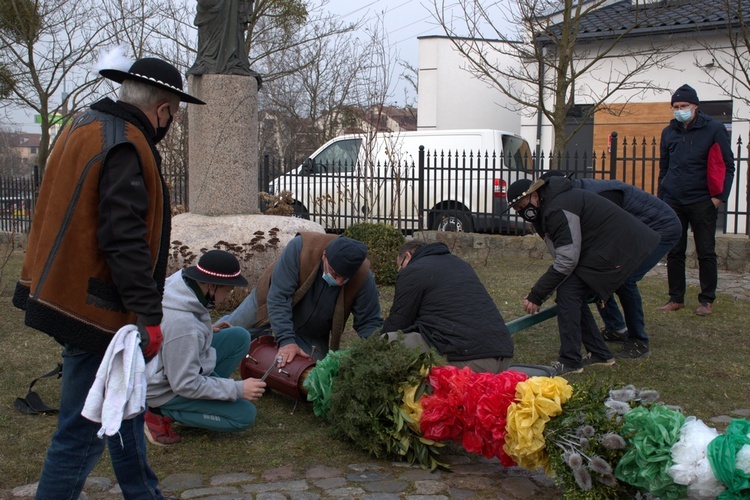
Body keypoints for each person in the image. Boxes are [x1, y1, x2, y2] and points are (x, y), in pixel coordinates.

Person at [12, 57, 205, 498]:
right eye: (173, 115)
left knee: (126, 408)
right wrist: (147, 313)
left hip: (79, 298)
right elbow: (124, 238)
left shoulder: (85, 124)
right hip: (97, 311)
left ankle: (143, 493)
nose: (171, 123)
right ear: (162, 111)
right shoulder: (125, 144)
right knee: (82, 432)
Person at [507, 176, 660, 375]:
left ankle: (570, 360)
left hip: (619, 249)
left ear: (535, 195)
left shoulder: (556, 208)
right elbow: (565, 252)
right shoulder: (549, 208)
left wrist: (537, 294)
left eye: (522, 206)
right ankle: (599, 354)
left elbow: (567, 259)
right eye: (517, 210)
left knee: (568, 292)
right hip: (606, 248)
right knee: (570, 292)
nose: (522, 213)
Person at [543, 172, 681, 359]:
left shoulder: (600, 196)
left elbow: (611, 235)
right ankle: (616, 327)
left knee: (624, 278)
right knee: (598, 272)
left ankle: (639, 340)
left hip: (660, 228)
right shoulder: (574, 195)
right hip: (636, 229)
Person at [145, 250, 266, 445]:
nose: (227, 296)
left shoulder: (182, 286)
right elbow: (184, 383)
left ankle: (201, 405)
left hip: (176, 363)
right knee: (244, 415)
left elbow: (175, 334)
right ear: (211, 286)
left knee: (239, 336)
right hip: (164, 390)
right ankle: (157, 412)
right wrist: (237, 389)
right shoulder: (183, 326)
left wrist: (206, 330)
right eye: (227, 290)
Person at [220, 233, 383, 366]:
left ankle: (267, 340)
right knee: (231, 334)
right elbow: (279, 297)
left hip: (312, 329)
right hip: (270, 302)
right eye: (335, 273)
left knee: (312, 368)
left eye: (345, 277)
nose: (339, 282)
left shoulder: (362, 274)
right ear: (324, 256)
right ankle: (204, 339)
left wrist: (379, 352)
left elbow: (369, 321)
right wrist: (286, 340)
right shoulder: (301, 248)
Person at [657, 84, 735, 316]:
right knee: (675, 251)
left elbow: (728, 165)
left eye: (684, 106)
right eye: (676, 107)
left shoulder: (714, 129)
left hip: (702, 200)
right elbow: (664, 168)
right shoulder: (668, 132)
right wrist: (662, 199)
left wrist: (719, 197)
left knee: (706, 252)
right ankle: (676, 298)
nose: (679, 110)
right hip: (673, 200)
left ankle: (706, 300)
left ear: (695, 106)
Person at [382, 240, 514, 373]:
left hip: (470, 360)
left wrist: (371, 344)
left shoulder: (414, 270)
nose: (401, 271)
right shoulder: (461, 264)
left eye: (400, 267)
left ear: (408, 256)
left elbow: (399, 321)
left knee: (388, 341)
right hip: (503, 356)